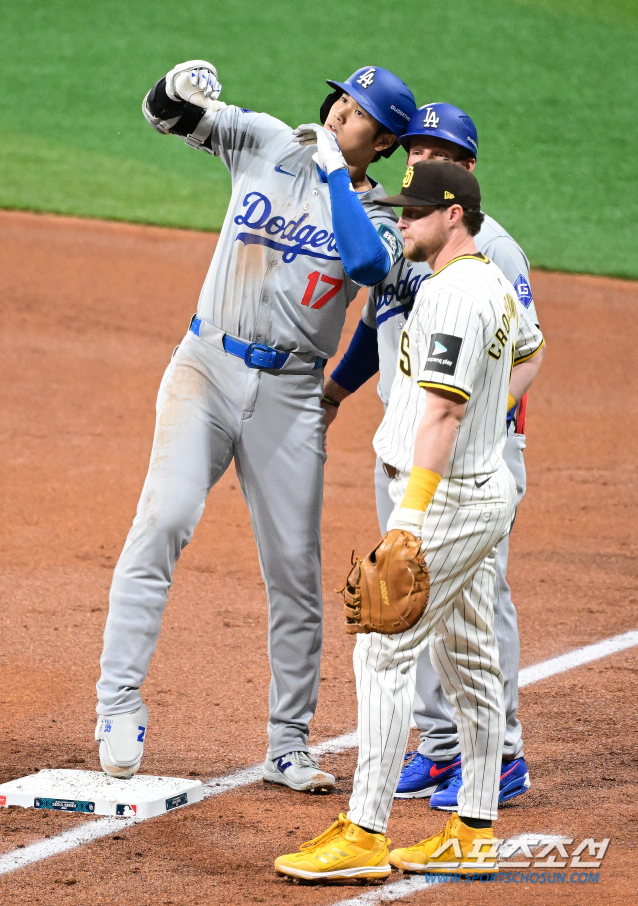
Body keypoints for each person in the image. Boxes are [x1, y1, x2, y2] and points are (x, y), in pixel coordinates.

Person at [94, 61, 417, 793]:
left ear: (387, 140)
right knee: (162, 522)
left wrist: (337, 175)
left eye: (360, 111)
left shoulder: (385, 216)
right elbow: (167, 117)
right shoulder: (269, 141)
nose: (341, 111)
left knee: (296, 575)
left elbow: (366, 266)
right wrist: (174, 86)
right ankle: (116, 705)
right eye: (341, 97)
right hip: (205, 368)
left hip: (292, 396)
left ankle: (288, 742)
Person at [275, 161, 545, 880]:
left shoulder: (456, 296)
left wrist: (411, 520)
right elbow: (529, 353)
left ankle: (363, 835)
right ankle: (474, 828)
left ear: (453, 215)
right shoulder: (490, 279)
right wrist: (490, 435)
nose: (401, 219)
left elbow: (446, 409)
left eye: (416, 212)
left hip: (447, 498)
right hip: (483, 489)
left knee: (383, 650)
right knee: (470, 659)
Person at [321, 103, 545, 808]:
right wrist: (333, 394)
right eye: (414, 150)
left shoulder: (492, 249)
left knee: (476, 603)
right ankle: (443, 747)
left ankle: (500, 754)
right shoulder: (406, 237)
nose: (419, 162)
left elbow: (530, 350)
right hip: (410, 445)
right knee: (412, 596)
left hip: (467, 455)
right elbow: (374, 327)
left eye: (438, 153)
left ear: (467, 172)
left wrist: (480, 421)